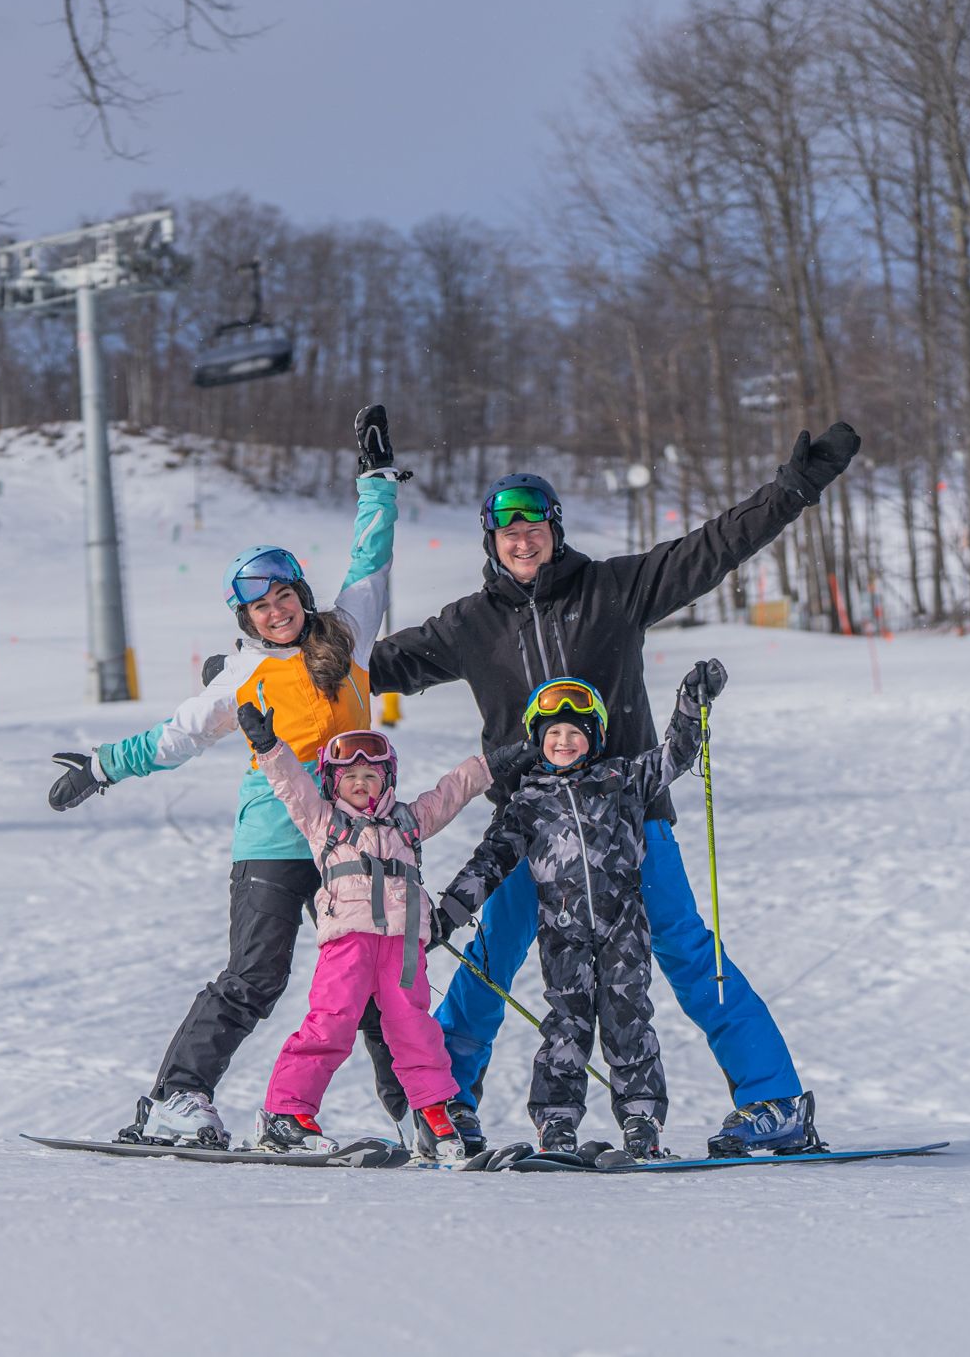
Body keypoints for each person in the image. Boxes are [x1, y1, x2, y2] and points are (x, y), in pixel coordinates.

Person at [368, 422, 861, 1157]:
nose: (522, 539)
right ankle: (443, 1107)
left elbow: (712, 549)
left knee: (689, 951)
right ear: (489, 541)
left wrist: (792, 490)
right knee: (485, 965)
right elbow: (365, 669)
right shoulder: (469, 624)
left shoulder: (612, 591)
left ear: (554, 531)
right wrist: (261, 670)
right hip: (528, 829)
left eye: (534, 525)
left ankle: (775, 1100)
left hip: (629, 818)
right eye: (508, 530)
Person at [45, 405, 408, 1148]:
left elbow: (373, 555)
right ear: (245, 618)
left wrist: (375, 482)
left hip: (351, 839)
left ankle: (423, 1111)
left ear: (300, 592)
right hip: (276, 837)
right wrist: (102, 767)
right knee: (256, 975)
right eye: (259, 606)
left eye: (283, 596)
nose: (276, 612)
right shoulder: (241, 676)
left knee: (377, 977)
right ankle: (177, 1098)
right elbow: (177, 737)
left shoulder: (349, 633)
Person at [434, 666, 723, 1161]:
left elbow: (675, 754)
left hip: (623, 928)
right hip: (563, 935)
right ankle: (557, 1124)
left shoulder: (621, 780)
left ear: (594, 738)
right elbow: (490, 861)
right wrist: (447, 914)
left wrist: (690, 708)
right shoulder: (526, 802)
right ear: (537, 739)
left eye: (575, 732)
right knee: (566, 1026)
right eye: (554, 733)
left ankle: (641, 1120)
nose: (564, 741)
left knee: (627, 1018)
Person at [241, 709, 524, 1160]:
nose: (360, 783)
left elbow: (452, 792)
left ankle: (433, 1115)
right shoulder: (324, 823)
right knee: (330, 1023)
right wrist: (268, 746)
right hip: (348, 945)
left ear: (386, 780)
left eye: (370, 775)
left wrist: (493, 764)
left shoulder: (408, 823)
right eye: (349, 775)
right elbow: (291, 786)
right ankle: (286, 1113)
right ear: (333, 783)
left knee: (416, 1030)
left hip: (402, 948)